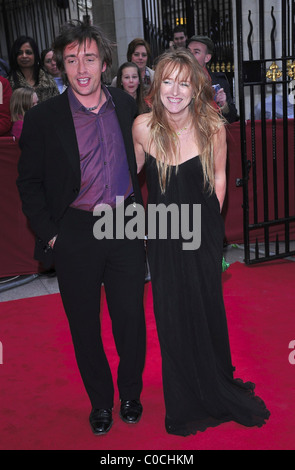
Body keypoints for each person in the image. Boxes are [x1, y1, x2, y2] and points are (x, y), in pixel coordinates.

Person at [17, 20, 146, 436]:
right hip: (75, 228)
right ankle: (100, 402)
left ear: (104, 62)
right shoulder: (43, 118)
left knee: (131, 319)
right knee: (84, 325)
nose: (82, 68)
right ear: (61, 67)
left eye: (89, 57)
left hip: (124, 224)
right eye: (72, 60)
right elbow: (29, 183)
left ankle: (130, 393)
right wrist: (52, 233)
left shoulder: (127, 108)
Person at [132, 49, 270, 436]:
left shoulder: (212, 126)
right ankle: (184, 398)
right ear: (156, 86)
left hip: (201, 234)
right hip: (161, 236)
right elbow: (127, 174)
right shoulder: (142, 127)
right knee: (170, 317)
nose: (175, 91)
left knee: (206, 309)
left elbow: (220, 179)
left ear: (195, 88)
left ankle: (213, 382)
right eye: (167, 82)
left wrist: (210, 230)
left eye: (184, 82)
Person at [187, 35, 238, 123]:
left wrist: (224, 105)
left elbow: (232, 118)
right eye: (188, 51)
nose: (190, 56)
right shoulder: (178, 79)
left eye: (196, 52)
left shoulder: (219, 80)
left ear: (207, 58)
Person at [8, 36, 59, 102]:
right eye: (20, 53)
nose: (24, 56)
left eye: (28, 52)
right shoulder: (9, 84)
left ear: (35, 55)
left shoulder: (49, 81)